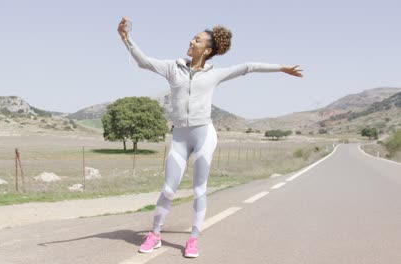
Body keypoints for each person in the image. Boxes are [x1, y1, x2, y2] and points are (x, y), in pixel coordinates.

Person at [117, 16, 303, 258]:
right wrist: (125, 38)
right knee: (168, 189)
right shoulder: (173, 67)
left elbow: (248, 67)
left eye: (197, 39)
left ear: (207, 50)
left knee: (199, 190)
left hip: (204, 135)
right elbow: (143, 62)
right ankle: (155, 234)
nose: (191, 41)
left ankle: (193, 238)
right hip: (180, 136)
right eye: (193, 37)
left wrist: (281, 68)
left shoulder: (215, 74)